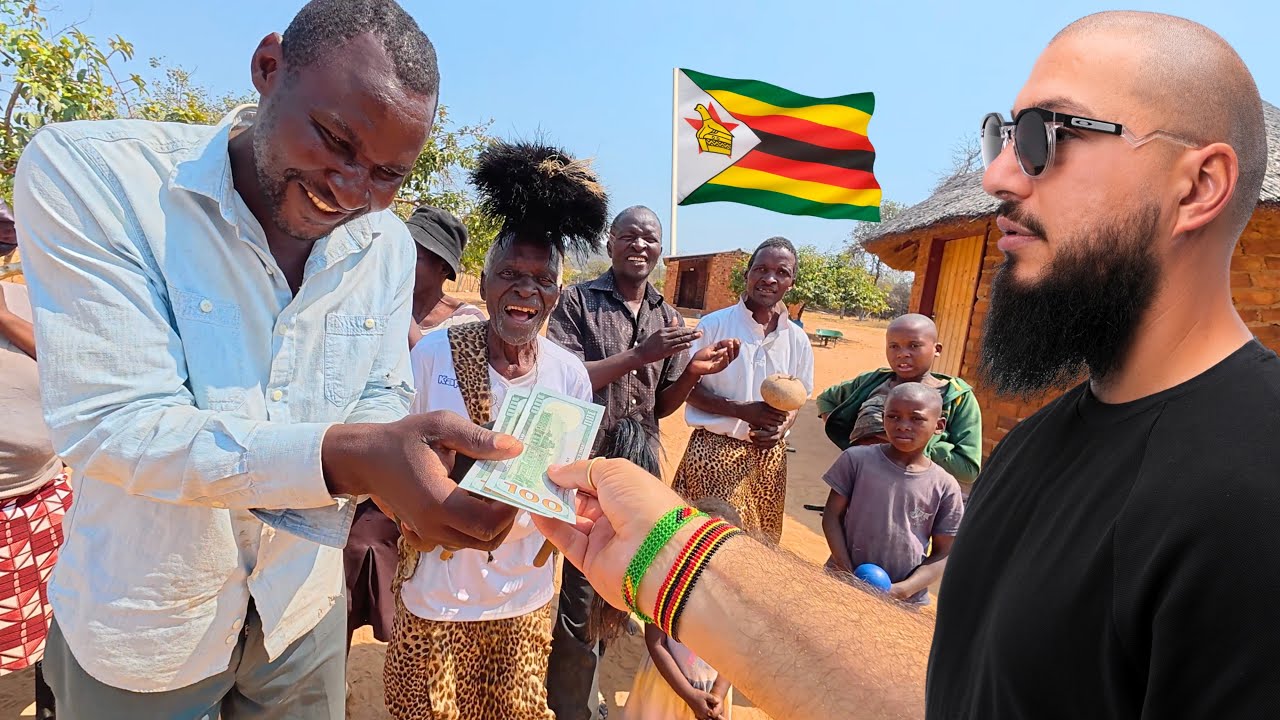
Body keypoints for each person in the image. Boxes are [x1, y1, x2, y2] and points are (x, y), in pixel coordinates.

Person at [533, 11, 1280, 720]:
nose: (998, 177)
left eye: (1045, 136)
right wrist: (670, 552)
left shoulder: (1259, 483)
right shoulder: (1034, 451)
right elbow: (965, 692)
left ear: (1197, 184)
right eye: (1000, 137)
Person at [15, 2, 527, 716]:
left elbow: (378, 390)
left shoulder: (382, 243)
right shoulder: (97, 176)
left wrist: (415, 469)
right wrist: (352, 460)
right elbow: (115, 422)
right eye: (334, 140)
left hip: (299, 612)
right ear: (267, 68)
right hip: (146, 621)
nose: (350, 191)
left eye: (386, 174)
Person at [382, 140, 607, 720]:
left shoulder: (569, 378)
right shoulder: (435, 354)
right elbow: (391, 459)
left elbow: (565, 485)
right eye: (509, 274)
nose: (524, 289)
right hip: (437, 594)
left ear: (557, 294)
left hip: (523, 599)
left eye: (540, 279)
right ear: (484, 286)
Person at [545, 205, 738, 720]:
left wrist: (693, 371)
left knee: (625, 585)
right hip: (589, 463)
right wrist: (639, 355)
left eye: (650, 239)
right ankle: (574, 709)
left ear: (660, 250)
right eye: (628, 236)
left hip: (641, 468)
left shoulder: (668, 316)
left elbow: (662, 405)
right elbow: (567, 380)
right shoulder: (577, 302)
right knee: (583, 591)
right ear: (609, 244)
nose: (639, 246)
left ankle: (593, 692)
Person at [345, 205, 486, 655]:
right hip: (367, 456)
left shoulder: (464, 322)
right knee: (343, 568)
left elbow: (440, 361)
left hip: (428, 472)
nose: (399, 258)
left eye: (414, 253)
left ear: (442, 267)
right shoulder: (373, 302)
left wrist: (395, 319)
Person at [673, 237, 814, 543]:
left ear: (792, 282)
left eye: (782, 272)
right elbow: (685, 388)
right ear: (748, 273)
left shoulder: (797, 340)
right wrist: (740, 411)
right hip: (714, 453)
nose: (770, 278)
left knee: (760, 551)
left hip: (770, 460)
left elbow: (798, 399)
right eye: (761, 269)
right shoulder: (713, 326)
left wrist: (782, 428)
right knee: (709, 548)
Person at [821, 383, 963, 605]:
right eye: (893, 416)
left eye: (916, 419)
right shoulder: (856, 460)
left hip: (900, 603)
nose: (903, 426)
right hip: (841, 585)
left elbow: (944, 552)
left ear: (939, 425)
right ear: (883, 418)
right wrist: (846, 570)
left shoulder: (945, 486)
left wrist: (903, 590)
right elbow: (831, 515)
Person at [1, 269, 69, 720]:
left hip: (40, 505)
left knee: (56, 635)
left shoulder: (29, 301)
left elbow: (75, 374)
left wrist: (4, 319)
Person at [817, 314, 982, 487]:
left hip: (916, 494)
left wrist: (910, 444)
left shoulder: (956, 397)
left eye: (914, 345)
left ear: (937, 349)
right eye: (894, 346)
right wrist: (850, 436)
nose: (903, 354)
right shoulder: (872, 382)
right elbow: (826, 399)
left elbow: (968, 469)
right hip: (862, 484)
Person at [624, 495, 742, 720]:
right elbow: (655, 642)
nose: (713, 553)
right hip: (665, 688)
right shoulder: (666, 583)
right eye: (705, 543)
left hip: (711, 693)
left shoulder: (735, 597)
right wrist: (689, 695)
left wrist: (717, 693)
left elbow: (734, 652)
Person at [405, 204, 486, 349]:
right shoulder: (381, 305)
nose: (400, 263)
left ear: (444, 268)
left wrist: (402, 313)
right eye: (402, 253)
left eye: (414, 257)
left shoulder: (466, 321)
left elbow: (430, 365)